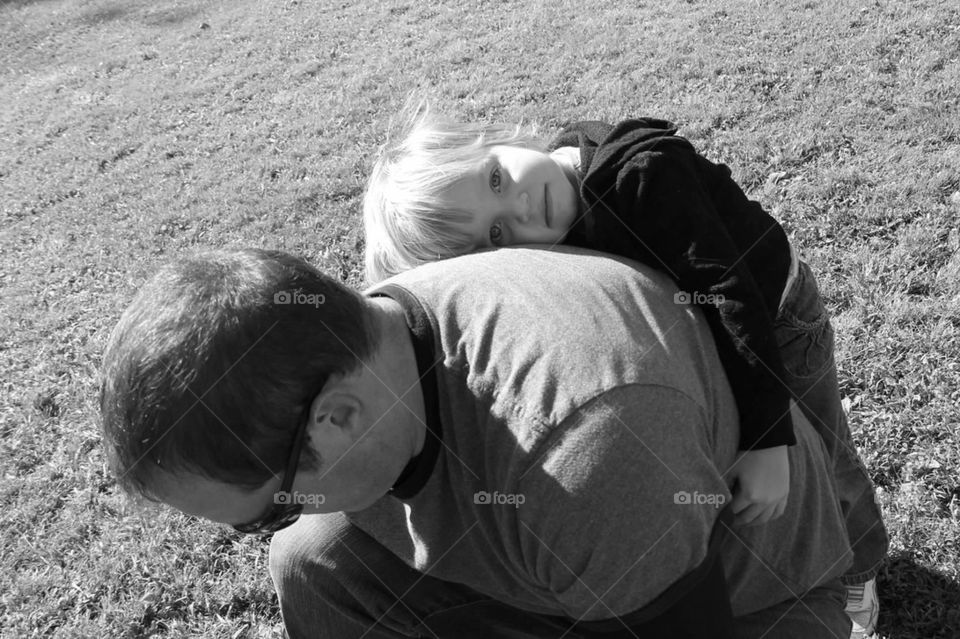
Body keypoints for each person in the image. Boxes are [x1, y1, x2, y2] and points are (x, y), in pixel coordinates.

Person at [101, 246, 861, 638]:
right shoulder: (371, 342)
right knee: (312, 561)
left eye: (267, 510)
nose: (271, 525)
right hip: (576, 569)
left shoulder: (583, 449)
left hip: (745, 603)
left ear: (334, 418)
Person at [362, 106, 887, 635]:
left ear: (496, 139)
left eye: (496, 178)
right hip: (715, 328)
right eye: (497, 235)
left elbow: (730, 295)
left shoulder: (643, 177)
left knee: (826, 447)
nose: (520, 206)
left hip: (776, 315)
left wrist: (768, 440)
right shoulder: (558, 214)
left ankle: (860, 570)